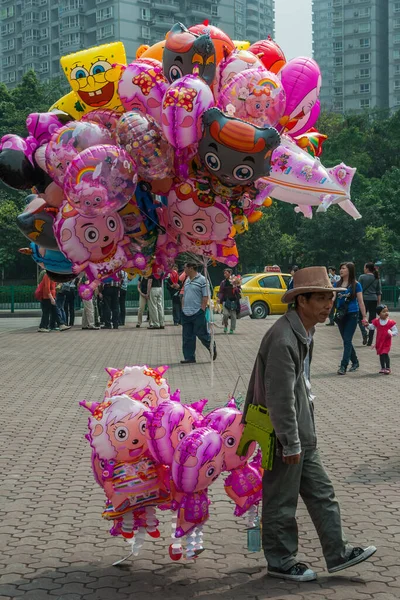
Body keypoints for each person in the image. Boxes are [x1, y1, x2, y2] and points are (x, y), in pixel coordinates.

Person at [244, 266, 376, 582]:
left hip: (303, 431)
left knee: (322, 494)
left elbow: (299, 386)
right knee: (281, 499)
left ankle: (338, 552)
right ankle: (280, 560)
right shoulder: (283, 337)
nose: (328, 304)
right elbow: (279, 397)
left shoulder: (305, 330)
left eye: (330, 298)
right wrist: (290, 441)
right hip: (284, 433)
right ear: (301, 301)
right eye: (321, 298)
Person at [335, 262, 368, 375]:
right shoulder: (337, 284)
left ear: (349, 270)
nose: (341, 270)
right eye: (341, 268)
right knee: (346, 340)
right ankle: (355, 362)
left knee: (347, 340)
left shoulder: (356, 285)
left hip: (352, 315)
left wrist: (364, 316)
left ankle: (343, 365)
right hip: (340, 316)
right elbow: (332, 298)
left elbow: (360, 301)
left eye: (343, 268)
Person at [181, 262, 217, 364]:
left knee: (201, 333)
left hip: (197, 312)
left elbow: (205, 296)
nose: (184, 270)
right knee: (187, 336)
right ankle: (189, 357)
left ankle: (211, 345)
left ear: (191, 268)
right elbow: (184, 295)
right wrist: (183, 308)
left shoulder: (202, 280)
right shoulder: (187, 280)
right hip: (186, 312)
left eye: (185, 267)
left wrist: (202, 309)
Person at [368, 304, 397, 374]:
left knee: (385, 353)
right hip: (379, 341)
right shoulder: (377, 321)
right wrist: (366, 325)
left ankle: (388, 368)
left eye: (387, 311)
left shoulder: (390, 322)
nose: (386, 313)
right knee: (381, 354)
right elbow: (372, 327)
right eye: (384, 311)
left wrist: (391, 333)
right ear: (379, 314)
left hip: (387, 341)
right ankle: (382, 367)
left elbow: (395, 331)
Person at [358, 262, 382, 346]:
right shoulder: (377, 278)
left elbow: (358, 290)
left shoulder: (362, 277)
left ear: (367, 268)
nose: (363, 269)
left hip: (364, 300)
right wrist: (378, 304)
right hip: (374, 300)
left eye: (364, 267)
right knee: (373, 320)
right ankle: (370, 340)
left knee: (360, 318)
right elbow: (379, 292)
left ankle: (364, 333)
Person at [218, 268, 241, 334]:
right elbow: (221, 291)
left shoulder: (235, 280)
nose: (224, 274)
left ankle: (232, 329)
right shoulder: (223, 282)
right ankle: (225, 325)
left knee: (233, 316)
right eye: (224, 273)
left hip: (233, 301)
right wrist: (219, 298)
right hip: (225, 300)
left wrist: (236, 286)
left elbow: (239, 290)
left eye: (226, 273)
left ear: (230, 273)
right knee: (225, 314)